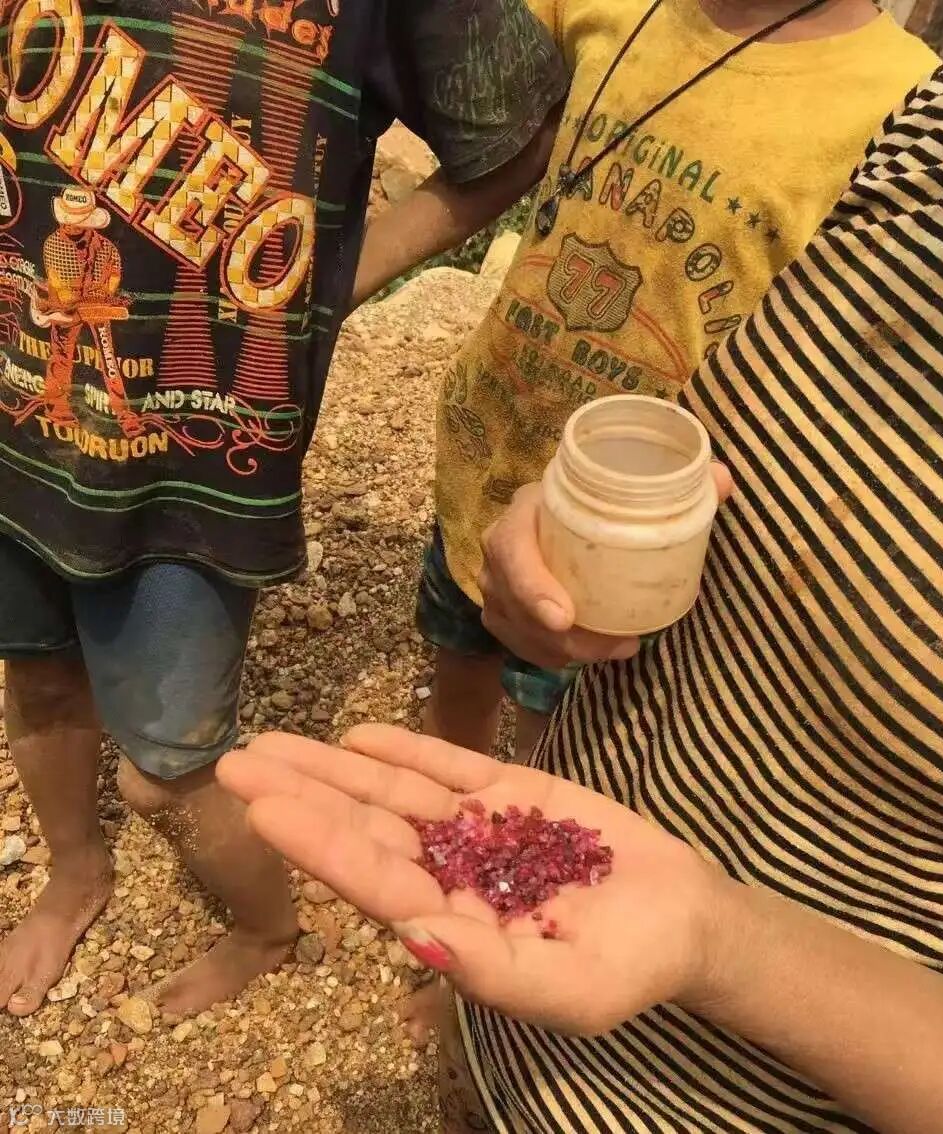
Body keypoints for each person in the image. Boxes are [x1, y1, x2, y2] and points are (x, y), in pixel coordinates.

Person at [220, 59, 943, 1133]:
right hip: (531, 947)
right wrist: (569, 529)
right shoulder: (939, 124)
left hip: (738, 1099)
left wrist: (721, 941)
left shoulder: (878, 86)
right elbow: (727, 448)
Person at [0, 0, 568, 1018]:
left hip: (191, 459)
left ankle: (265, 928)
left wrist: (333, 285)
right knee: (36, 679)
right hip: (16, 423)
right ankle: (75, 871)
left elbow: (516, 131)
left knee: (170, 768)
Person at [370, 0, 937, 764]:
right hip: (488, 452)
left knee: (561, 752)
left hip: (639, 531)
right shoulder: (600, 7)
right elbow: (493, 110)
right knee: (459, 675)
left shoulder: (908, 107)